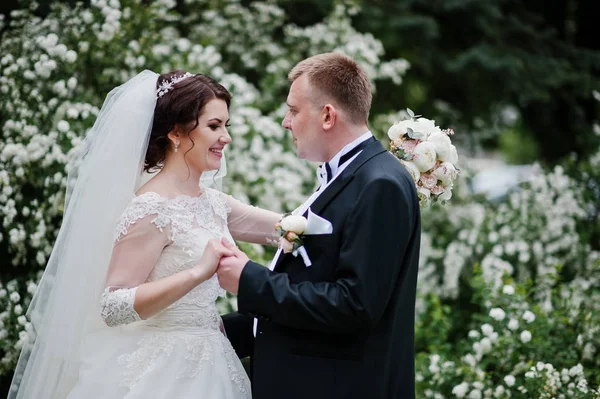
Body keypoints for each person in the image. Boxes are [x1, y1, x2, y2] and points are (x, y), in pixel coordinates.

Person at [9, 70, 281, 398]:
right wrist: (197, 273)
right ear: (176, 133)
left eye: (226, 126)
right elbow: (113, 306)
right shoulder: (151, 208)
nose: (226, 138)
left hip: (216, 363)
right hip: (164, 375)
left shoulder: (214, 203)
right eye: (214, 126)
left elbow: (286, 228)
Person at [217, 52, 421, 399]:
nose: (286, 121)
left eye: (293, 110)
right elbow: (317, 283)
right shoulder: (352, 175)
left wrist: (250, 279)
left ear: (328, 115)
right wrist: (225, 331)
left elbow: (354, 305)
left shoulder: (378, 184)